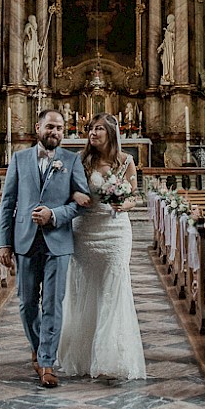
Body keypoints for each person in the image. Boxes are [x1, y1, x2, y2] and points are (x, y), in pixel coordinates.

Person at [0, 109, 89, 388]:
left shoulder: (72, 161)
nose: (55, 132)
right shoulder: (19, 159)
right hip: (25, 240)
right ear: (37, 128)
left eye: (60, 128)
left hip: (57, 241)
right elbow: (8, 202)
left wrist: (55, 214)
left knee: (52, 303)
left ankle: (47, 362)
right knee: (27, 304)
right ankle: (38, 347)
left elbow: (81, 201)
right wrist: (4, 242)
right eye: (50, 126)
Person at [57, 113, 146, 379]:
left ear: (110, 133)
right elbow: (67, 190)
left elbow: (135, 196)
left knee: (114, 286)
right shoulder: (80, 160)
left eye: (98, 129)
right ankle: (83, 354)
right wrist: (77, 195)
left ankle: (112, 357)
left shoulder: (126, 161)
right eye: (90, 128)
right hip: (86, 229)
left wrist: (124, 203)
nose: (93, 133)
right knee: (85, 286)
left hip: (116, 229)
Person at [158, 13, 175, 84]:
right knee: (165, 61)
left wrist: (168, 32)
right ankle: (166, 76)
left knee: (171, 61)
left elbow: (176, 37)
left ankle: (171, 77)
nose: (167, 20)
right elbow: (165, 40)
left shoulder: (174, 26)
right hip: (166, 48)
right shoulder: (168, 28)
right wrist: (160, 47)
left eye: (168, 19)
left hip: (171, 48)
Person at [24, 14, 40, 85]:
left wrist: (39, 46)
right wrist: (28, 34)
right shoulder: (29, 26)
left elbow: (36, 41)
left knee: (35, 62)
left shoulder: (34, 30)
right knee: (29, 61)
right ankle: (29, 77)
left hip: (34, 48)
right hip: (30, 46)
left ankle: (34, 78)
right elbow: (25, 33)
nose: (34, 21)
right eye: (33, 19)